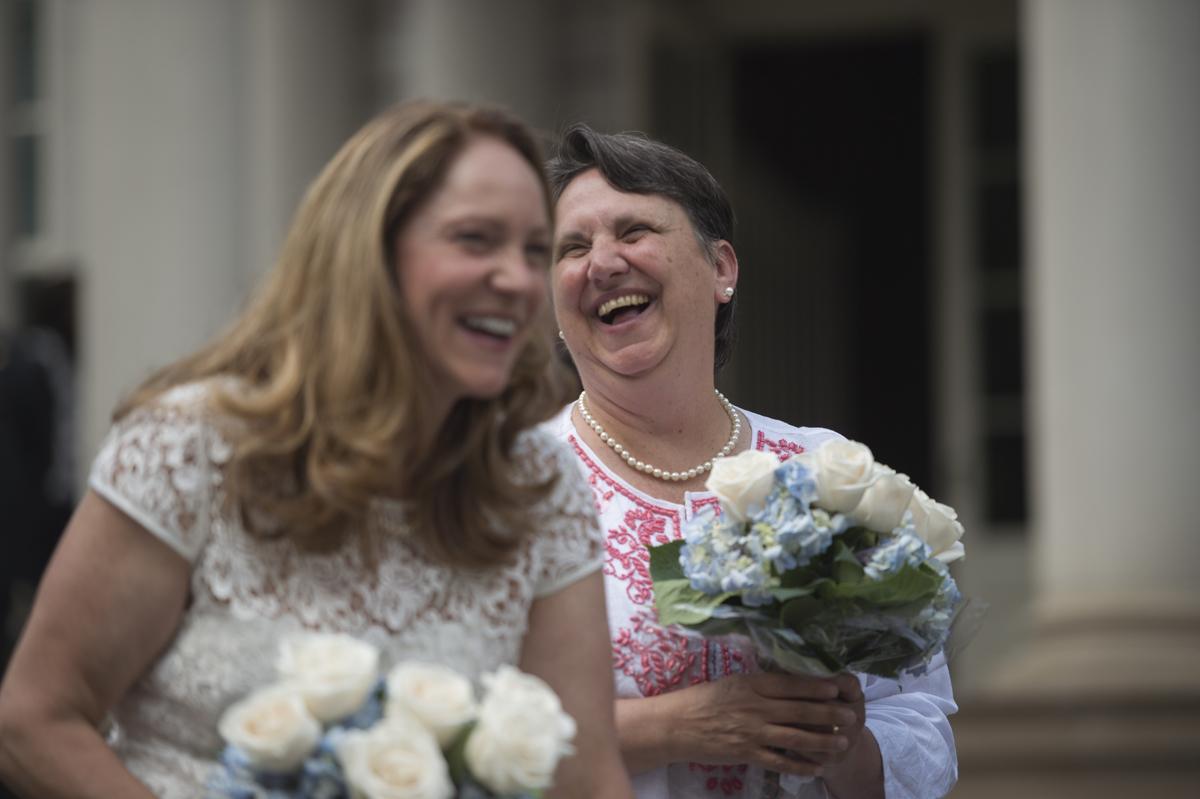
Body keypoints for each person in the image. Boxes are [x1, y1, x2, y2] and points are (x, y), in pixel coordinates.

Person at [0, 101, 633, 799]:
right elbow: (33, 720)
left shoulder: (538, 487)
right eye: (475, 240)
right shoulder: (191, 449)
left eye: (535, 251)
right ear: (368, 253)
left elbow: (586, 779)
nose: (516, 279)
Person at [542, 124, 958, 799]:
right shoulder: (511, 486)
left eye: (634, 231)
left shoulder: (825, 471)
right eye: (573, 247)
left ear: (722, 270)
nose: (603, 262)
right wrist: (676, 726)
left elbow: (922, 728)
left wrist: (836, 743)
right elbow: (464, 731)